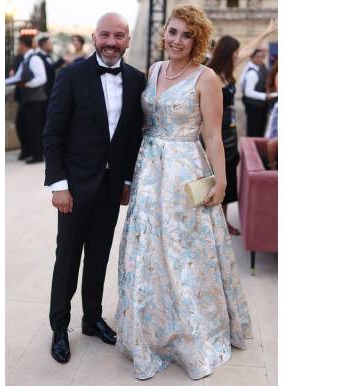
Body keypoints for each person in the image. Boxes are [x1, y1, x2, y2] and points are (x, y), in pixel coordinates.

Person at [115, 5, 252, 380]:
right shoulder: (156, 70)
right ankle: (150, 329)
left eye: (186, 35)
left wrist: (221, 181)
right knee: (147, 249)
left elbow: (212, 135)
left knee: (183, 251)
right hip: (149, 170)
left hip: (185, 169)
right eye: (172, 32)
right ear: (164, 33)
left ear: (198, 39)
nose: (176, 40)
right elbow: (142, 121)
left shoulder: (206, 78)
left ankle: (192, 332)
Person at [42, 12, 146, 365]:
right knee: (67, 258)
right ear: (94, 37)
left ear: (128, 40)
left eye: (119, 36)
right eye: (105, 35)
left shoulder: (137, 80)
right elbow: (52, 134)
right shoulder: (70, 75)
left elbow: (132, 137)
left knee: (99, 256)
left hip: (110, 187)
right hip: (73, 189)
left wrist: (128, 181)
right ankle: (59, 327)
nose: (112, 42)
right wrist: (59, 185)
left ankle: (92, 319)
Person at [206, 21, 277, 235]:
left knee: (228, 173)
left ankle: (224, 221)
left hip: (231, 129)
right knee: (214, 174)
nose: (239, 56)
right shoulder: (210, 74)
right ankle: (212, 223)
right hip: (216, 130)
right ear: (228, 54)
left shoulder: (227, 72)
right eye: (235, 53)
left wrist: (265, 32)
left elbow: (247, 50)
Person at [5, 34, 47, 163]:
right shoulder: (26, 59)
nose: (18, 47)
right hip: (27, 100)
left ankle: (37, 155)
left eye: (19, 44)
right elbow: (17, 77)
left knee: (34, 128)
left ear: (23, 45)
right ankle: (28, 151)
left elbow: (42, 78)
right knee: (22, 125)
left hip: (36, 100)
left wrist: (26, 84)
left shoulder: (34, 59)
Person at [240, 48, 277, 137]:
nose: (261, 59)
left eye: (262, 57)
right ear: (252, 58)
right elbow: (248, 92)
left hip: (259, 107)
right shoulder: (252, 72)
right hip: (254, 107)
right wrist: (265, 96)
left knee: (259, 131)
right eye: (258, 57)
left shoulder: (259, 68)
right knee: (254, 132)